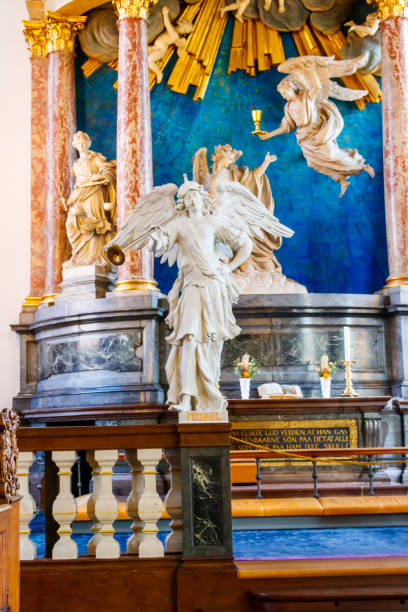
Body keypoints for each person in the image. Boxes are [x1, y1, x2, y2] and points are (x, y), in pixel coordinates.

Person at [149, 180, 252, 412]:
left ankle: (209, 392)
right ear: (183, 202)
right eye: (187, 196)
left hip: (214, 286)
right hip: (193, 286)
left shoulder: (214, 222)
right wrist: (153, 240)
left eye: (196, 195)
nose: (192, 199)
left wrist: (229, 267)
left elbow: (245, 244)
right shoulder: (179, 224)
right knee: (189, 338)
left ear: (202, 198)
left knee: (211, 343)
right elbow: (160, 242)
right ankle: (186, 397)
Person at [259, 76, 374, 197]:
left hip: (319, 133)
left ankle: (362, 166)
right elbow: (287, 126)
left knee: (331, 155)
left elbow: (317, 86)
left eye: (284, 92)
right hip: (305, 138)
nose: (283, 96)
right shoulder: (288, 107)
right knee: (313, 163)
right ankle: (341, 180)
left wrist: (309, 71)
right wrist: (269, 135)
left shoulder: (307, 96)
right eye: (281, 94)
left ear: (291, 88)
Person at [64, 131, 116, 270]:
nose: (80, 144)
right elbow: (77, 183)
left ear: (88, 143)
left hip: (93, 193)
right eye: (78, 142)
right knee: (72, 222)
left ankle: (93, 257)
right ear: (74, 145)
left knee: (93, 224)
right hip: (79, 195)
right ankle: (79, 254)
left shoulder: (94, 158)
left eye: (83, 141)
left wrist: (96, 179)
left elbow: (108, 171)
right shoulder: (75, 164)